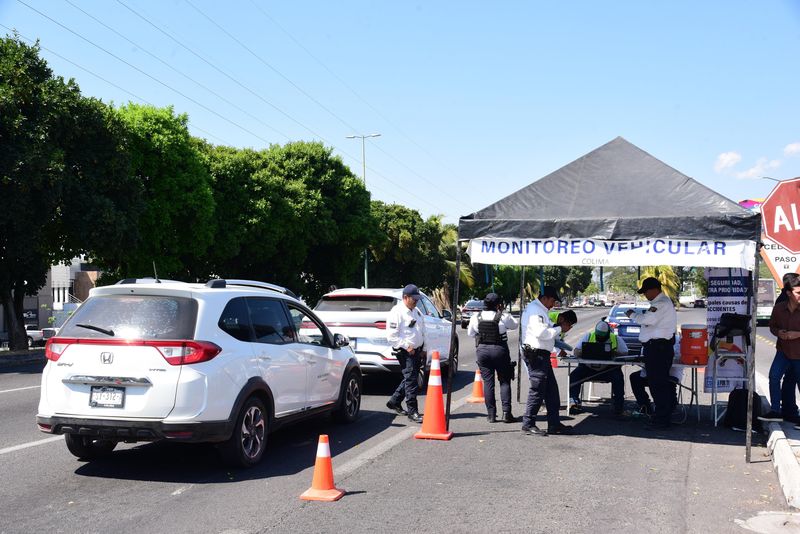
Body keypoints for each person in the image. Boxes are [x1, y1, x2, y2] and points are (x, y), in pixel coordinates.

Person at [519, 286, 575, 436]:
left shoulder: (541, 310)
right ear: (545, 298)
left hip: (542, 355)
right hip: (536, 355)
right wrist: (560, 329)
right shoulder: (535, 311)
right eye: (552, 301)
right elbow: (541, 333)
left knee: (552, 392)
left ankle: (554, 424)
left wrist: (558, 330)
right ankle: (528, 423)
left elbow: (549, 331)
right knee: (537, 390)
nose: (553, 304)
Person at [626, 277, 677, 430]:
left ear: (653, 289)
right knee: (658, 384)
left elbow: (647, 320)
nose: (645, 295)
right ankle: (661, 417)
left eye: (646, 292)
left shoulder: (661, 304)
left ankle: (661, 420)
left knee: (658, 385)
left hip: (658, 349)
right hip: (656, 348)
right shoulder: (659, 303)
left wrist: (632, 315)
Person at [467, 293, 519, 423]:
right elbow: (515, 325)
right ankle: (506, 413)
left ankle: (491, 414)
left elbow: (470, 333)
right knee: (504, 381)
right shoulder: (503, 316)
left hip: (483, 351)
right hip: (500, 350)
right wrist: (503, 311)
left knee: (488, 383)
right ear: (498, 304)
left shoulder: (476, 317)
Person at [760, 273, 800, 423]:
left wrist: (796, 334)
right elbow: (772, 326)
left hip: (798, 354)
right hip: (783, 351)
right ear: (789, 293)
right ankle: (775, 410)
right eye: (798, 292)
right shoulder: (779, 308)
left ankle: (791, 413)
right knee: (774, 377)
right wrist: (779, 333)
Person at [569, 320, 629, 416]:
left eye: (603, 337)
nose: (600, 338)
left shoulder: (616, 339)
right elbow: (576, 351)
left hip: (608, 370)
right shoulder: (588, 336)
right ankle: (573, 402)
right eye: (598, 336)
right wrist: (584, 352)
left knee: (618, 378)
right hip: (588, 369)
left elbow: (625, 353)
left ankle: (618, 406)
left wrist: (613, 353)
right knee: (574, 376)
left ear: (608, 333)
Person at [386, 284, 427, 423]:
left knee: (411, 377)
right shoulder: (397, 312)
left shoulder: (416, 311)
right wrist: (407, 346)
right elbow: (392, 336)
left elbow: (422, 331)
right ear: (405, 297)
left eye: (417, 299)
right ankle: (412, 411)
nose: (416, 301)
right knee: (411, 381)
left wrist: (424, 348)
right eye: (413, 299)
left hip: (417, 351)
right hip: (405, 351)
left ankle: (394, 401)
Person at [629, 337, 684, 416]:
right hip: (651, 372)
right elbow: (643, 353)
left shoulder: (676, 340)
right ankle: (645, 406)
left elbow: (678, 356)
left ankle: (669, 407)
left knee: (663, 382)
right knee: (635, 378)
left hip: (670, 373)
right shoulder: (649, 338)